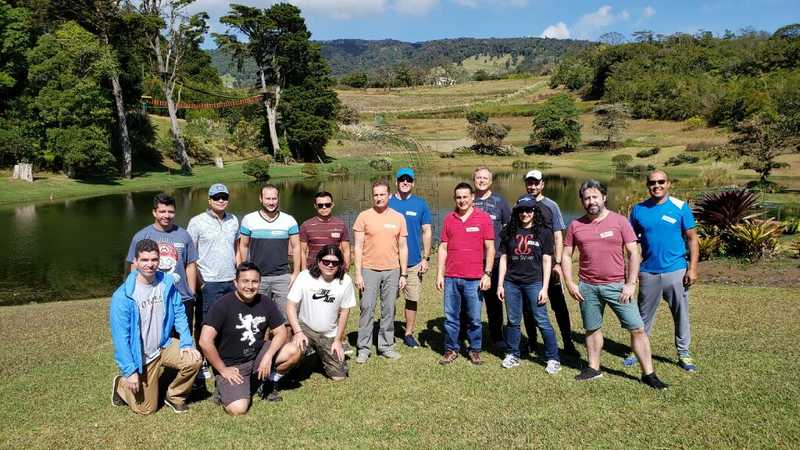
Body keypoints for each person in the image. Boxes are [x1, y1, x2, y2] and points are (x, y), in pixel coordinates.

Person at [561, 180, 667, 389]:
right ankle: (593, 368)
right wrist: (570, 283)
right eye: (587, 198)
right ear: (582, 201)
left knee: (637, 328)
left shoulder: (619, 221)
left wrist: (630, 283)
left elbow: (633, 252)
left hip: (618, 286)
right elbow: (566, 255)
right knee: (591, 329)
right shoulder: (576, 225)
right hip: (588, 287)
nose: (591, 201)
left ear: (604, 197)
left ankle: (649, 373)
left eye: (595, 197)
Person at [110, 239, 202, 415]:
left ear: (159, 261)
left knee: (194, 359)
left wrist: (186, 342)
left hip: (164, 345)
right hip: (142, 354)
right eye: (144, 260)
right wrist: (130, 371)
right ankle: (121, 385)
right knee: (146, 409)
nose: (150, 265)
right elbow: (120, 338)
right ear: (135, 262)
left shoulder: (167, 283)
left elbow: (179, 312)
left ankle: (174, 396)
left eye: (154, 260)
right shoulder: (123, 296)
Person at [198, 262, 302, 415]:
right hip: (233, 366)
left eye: (255, 281)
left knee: (294, 350)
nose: (250, 286)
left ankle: (268, 383)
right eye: (245, 281)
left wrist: (268, 356)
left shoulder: (265, 301)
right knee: (238, 409)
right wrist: (222, 369)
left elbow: (281, 332)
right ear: (236, 282)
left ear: (260, 282)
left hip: (258, 355)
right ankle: (223, 387)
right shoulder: (222, 305)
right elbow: (204, 341)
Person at [627, 170, 700, 372]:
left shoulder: (680, 207)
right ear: (647, 185)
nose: (656, 185)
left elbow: (693, 239)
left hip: (676, 271)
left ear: (668, 183)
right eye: (652, 182)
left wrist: (692, 268)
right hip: (648, 272)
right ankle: (638, 350)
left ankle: (684, 353)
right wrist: (632, 275)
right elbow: (632, 243)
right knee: (642, 316)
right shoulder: (638, 210)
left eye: (661, 182)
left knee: (680, 314)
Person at [518, 170, 579, 358]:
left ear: (542, 184)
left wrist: (558, 262)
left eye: (536, 183)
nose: (532, 186)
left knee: (558, 304)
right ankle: (532, 341)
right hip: (527, 264)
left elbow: (558, 235)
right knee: (528, 306)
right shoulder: (520, 204)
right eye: (529, 183)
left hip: (549, 263)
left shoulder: (551, 206)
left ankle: (568, 342)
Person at [496, 198, 561, 373]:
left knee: (542, 321)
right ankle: (513, 354)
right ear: (516, 212)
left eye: (529, 210)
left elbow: (547, 260)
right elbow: (503, 258)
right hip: (512, 283)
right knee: (513, 320)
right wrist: (500, 284)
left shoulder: (543, 232)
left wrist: (545, 287)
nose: (525, 214)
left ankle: (553, 358)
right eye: (521, 210)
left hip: (534, 283)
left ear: (534, 212)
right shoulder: (509, 231)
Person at [436, 182, 495, 366]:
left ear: (472, 198)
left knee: (475, 318)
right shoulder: (449, 219)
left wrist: (487, 273)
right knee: (451, 316)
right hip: (452, 277)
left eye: (465, 197)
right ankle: (451, 349)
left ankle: (475, 350)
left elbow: (490, 248)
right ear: (455, 199)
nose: (462, 200)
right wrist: (439, 274)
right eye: (459, 197)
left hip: (474, 278)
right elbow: (443, 247)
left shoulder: (483, 218)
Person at [187, 183, 239, 380]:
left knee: (228, 322)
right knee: (205, 322)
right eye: (216, 197)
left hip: (230, 280)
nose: (221, 200)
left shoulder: (233, 220)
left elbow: (236, 248)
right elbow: (190, 254)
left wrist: (238, 275)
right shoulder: (197, 222)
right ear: (209, 200)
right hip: (208, 281)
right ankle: (203, 361)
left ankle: (223, 356)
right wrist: (199, 282)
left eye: (224, 197)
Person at [353, 180, 409, 363]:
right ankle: (363, 348)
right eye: (376, 195)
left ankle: (386, 346)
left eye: (382, 194)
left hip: (392, 270)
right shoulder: (363, 216)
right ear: (372, 196)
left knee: (389, 309)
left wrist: (403, 274)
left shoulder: (398, 217)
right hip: (369, 269)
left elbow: (403, 247)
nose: (379, 198)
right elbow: (358, 246)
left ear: (389, 195)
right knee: (367, 308)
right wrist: (358, 274)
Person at [126, 193, 198, 331]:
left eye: (170, 211)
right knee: (155, 341)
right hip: (153, 299)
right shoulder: (141, 236)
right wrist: (135, 293)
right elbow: (135, 266)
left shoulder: (183, 235)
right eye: (162, 211)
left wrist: (192, 292)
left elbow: (190, 264)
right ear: (154, 212)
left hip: (181, 298)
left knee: (183, 341)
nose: (166, 215)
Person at [286, 245, 356, 381]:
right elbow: (290, 305)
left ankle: (319, 355)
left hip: (328, 333)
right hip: (305, 328)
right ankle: (308, 355)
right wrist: (298, 332)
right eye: (326, 261)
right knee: (293, 358)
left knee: (338, 377)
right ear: (318, 261)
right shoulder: (305, 276)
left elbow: (345, 312)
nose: (330, 265)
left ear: (340, 264)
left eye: (334, 263)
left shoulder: (345, 280)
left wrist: (337, 340)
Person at [238, 184, 301, 318]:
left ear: (278, 199)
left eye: (274, 198)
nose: (271, 202)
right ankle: (263, 340)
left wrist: (295, 272)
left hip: (283, 277)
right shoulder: (249, 220)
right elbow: (243, 245)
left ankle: (286, 339)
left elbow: (296, 247)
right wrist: (245, 270)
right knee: (258, 317)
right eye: (268, 198)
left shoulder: (289, 220)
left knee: (287, 317)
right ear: (260, 198)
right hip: (258, 277)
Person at [388, 168, 432, 349]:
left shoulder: (420, 204)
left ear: (413, 183)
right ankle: (387, 332)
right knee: (389, 299)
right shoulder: (387, 203)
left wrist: (426, 258)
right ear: (396, 182)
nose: (405, 182)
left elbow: (427, 231)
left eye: (408, 180)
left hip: (413, 262)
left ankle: (408, 333)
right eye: (402, 179)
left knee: (412, 299)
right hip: (390, 262)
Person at [472, 166, 511, 351]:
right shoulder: (467, 200)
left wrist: (504, 254)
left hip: (493, 260)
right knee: (470, 299)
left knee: (494, 302)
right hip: (470, 259)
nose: (481, 180)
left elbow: (508, 231)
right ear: (474, 180)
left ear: (491, 180)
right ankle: (470, 335)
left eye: (484, 178)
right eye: (478, 177)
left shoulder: (500, 202)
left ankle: (497, 336)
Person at [299, 191, 351, 270]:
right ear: (315, 206)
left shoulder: (341, 225)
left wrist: (345, 269)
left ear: (332, 205)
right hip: (313, 271)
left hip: (334, 270)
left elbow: (346, 250)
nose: (324, 207)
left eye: (327, 205)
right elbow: (302, 251)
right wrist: (303, 272)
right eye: (320, 205)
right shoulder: (306, 225)